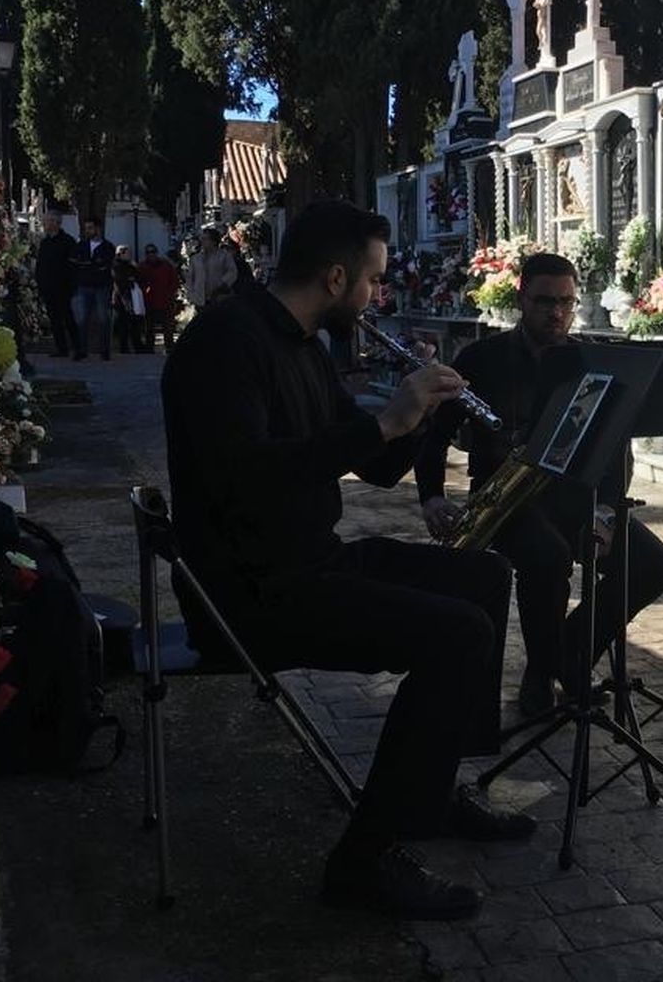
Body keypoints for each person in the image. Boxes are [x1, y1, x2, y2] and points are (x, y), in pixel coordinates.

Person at [162, 200, 527, 921]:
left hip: (311, 561)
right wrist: (388, 419)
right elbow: (245, 479)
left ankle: (432, 784)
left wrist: (425, 418)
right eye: (371, 281)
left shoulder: (303, 343)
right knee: (459, 635)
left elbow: (377, 469)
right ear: (335, 277)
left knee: (485, 577)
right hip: (250, 591)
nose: (375, 297)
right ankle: (364, 863)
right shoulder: (225, 343)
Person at [415, 252, 663, 717]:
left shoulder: (591, 359)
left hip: (578, 498)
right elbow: (433, 435)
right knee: (547, 557)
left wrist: (606, 514)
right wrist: (432, 496)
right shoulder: (481, 357)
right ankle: (540, 675)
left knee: (654, 564)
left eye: (566, 302)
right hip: (505, 498)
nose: (556, 313)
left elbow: (617, 448)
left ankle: (570, 654)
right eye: (544, 302)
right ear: (521, 298)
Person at [69, 217, 116, 361]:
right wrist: (90, 265)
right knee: (81, 319)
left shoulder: (108, 247)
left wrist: (90, 265)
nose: (88, 231)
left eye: (90, 228)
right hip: (84, 286)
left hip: (102, 286)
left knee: (104, 319)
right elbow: (75, 262)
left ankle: (105, 350)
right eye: (86, 228)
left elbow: (104, 265)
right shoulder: (81, 245)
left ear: (98, 229)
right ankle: (81, 350)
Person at [34, 211, 78, 357]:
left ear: (55, 222)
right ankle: (62, 348)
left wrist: (71, 286)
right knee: (54, 319)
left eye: (47, 221)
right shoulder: (45, 242)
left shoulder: (68, 241)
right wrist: (40, 282)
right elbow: (40, 265)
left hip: (63, 287)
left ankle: (78, 348)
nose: (45, 224)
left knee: (67, 317)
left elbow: (72, 266)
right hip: (48, 287)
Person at [136, 243, 181, 350]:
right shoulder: (142, 267)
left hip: (165, 300)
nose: (151, 255)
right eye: (148, 252)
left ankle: (169, 347)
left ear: (156, 253)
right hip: (149, 301)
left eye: (153, 252)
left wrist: (171, 294)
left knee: (168, 327)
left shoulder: (166, 265)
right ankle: (149, 347)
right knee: (149, 327)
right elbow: (138, 283)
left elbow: (174, 281)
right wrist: (144, 292)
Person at [186, 227, 237, 311]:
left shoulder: (224, 256)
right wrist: (191, 294)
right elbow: (190, 277)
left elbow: (232, 272)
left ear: (213, 241)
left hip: (219, 298)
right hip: (200, 299)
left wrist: (222, 283)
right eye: (201, 238)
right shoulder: (195, 259)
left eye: (205, 239)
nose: (202, 241)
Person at [111, 245, 142, 355]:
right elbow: (120, 281)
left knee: (135, 322)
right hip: (122, 298)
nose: (129, 255)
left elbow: (138, 277)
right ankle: (124, 347)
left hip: (132, 296)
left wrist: (134, 270)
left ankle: (137, 346)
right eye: (126, 253)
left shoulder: (130, 265)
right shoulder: (116, 265)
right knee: (123, 323)